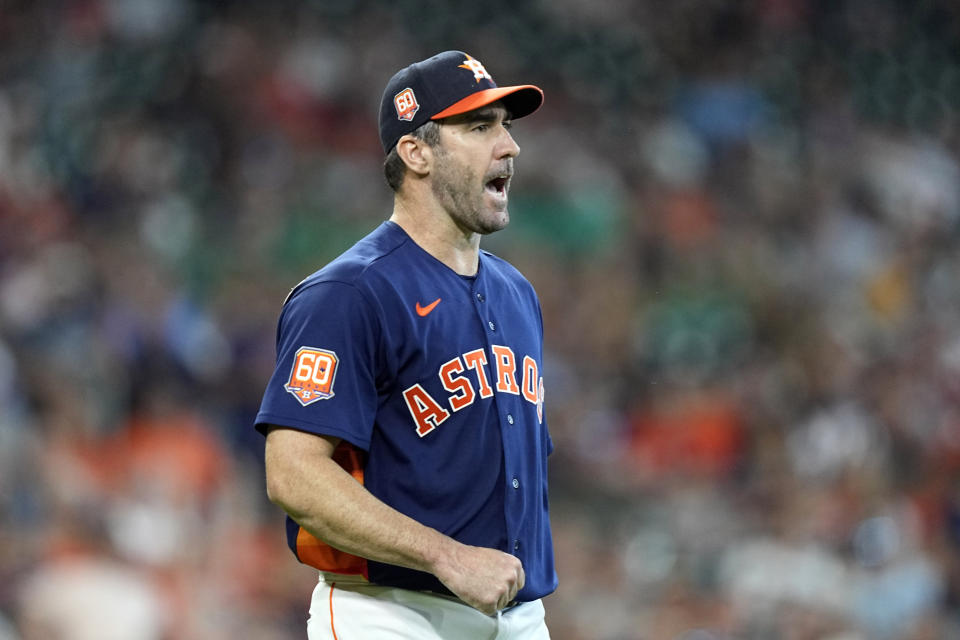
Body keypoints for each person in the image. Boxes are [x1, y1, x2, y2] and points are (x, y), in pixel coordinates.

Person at [255, 50, 557, 639]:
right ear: (416, 153)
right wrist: (446, 555)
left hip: (518, 616)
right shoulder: (349, 293)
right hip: (392, 614)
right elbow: (291, 475)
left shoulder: (517, 293)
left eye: (506, 126)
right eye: (478, 127)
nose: (509, 146)